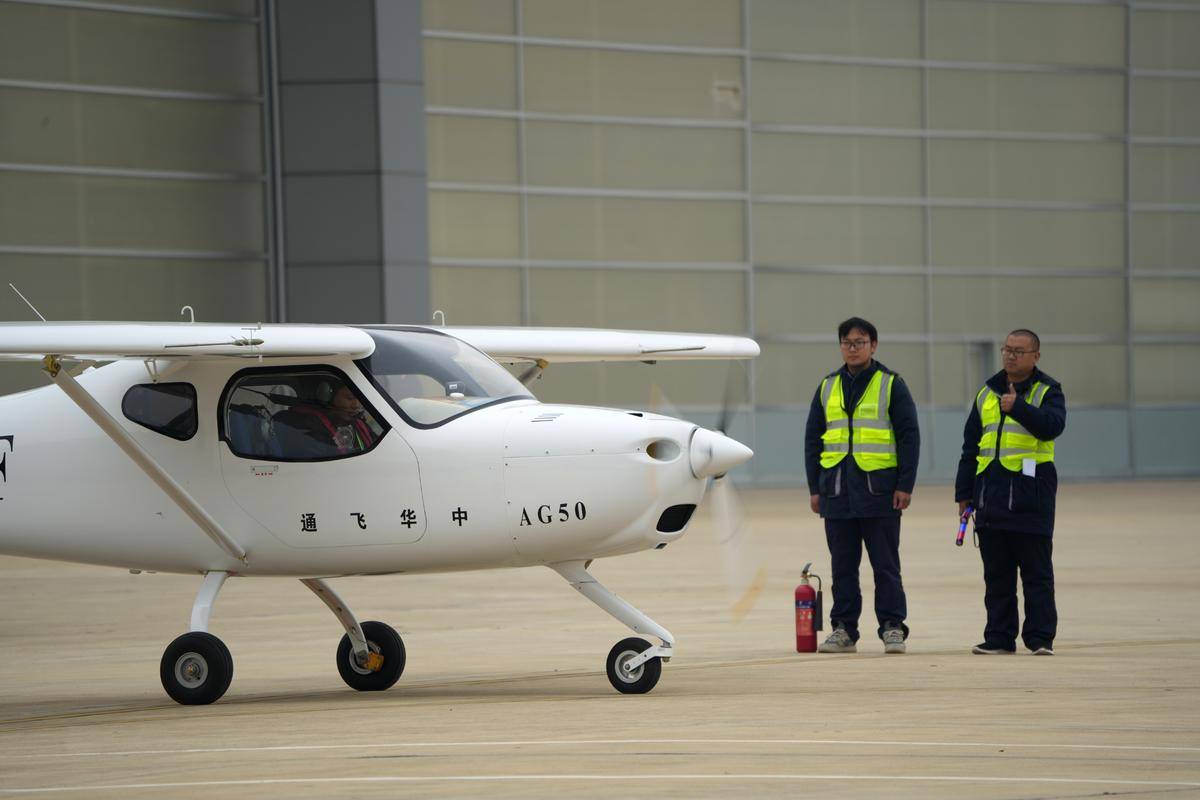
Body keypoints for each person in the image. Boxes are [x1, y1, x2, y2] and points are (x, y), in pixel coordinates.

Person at [805, 317, 920, 654]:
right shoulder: (827, 386)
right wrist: (815, 487)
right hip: (836, 492)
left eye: (860, 342)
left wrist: (905, 484)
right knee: (842, 567)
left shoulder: (891, 384)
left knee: (885, 565)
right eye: (847, 342)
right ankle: (844, 629)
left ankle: (892, 626)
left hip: (879, 491)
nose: (853, 348)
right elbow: (813, 441)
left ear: (874, 345)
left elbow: (909, 437)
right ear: (840, 346)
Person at [955, 329, 1066, 656]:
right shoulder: (987, 393)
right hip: (990, 496)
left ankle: (1040, 637)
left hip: (1031, 496)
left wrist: (1018, 407)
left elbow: (1052, 426)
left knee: (1037, 574)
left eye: (1019, 350)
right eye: (1007, 349)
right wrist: (964, 493)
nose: (1011, 355)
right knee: (997, 576)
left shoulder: (1049, 391)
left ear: (1036, 355)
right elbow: (970, 447)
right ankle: (999, 637)